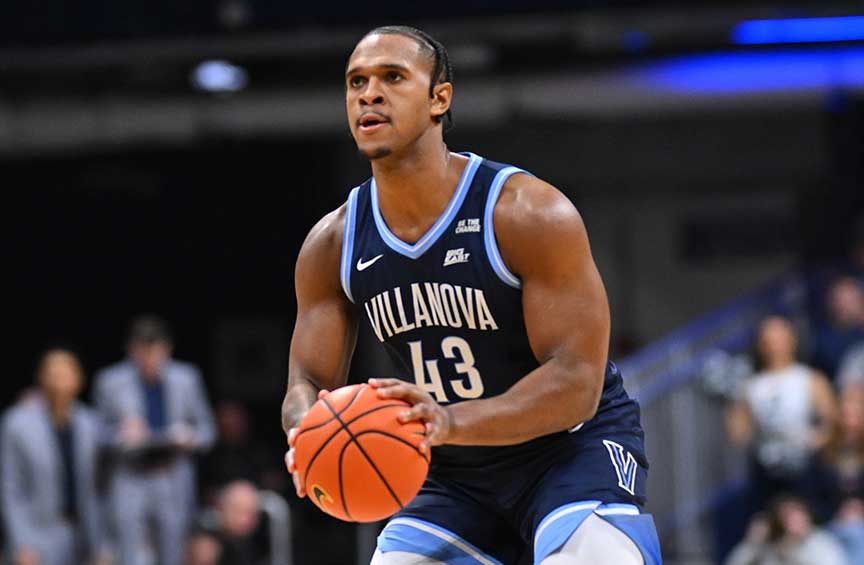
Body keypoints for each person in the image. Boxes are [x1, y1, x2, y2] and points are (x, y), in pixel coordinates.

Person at [281, 25, 660, 564]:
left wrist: (450, 420)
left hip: (569, 452)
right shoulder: (333, 243)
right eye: (356, 82)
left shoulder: (526, 213)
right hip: (451, 471)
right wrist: (308, 431)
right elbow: (308, 381)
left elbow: (577, 383)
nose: (369, 94)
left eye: (392, 77)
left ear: (440, 98)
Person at [94, 315, 216, 565]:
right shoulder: (110, 381)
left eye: (155, 351)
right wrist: (121, 433)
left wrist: (190, 437)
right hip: (131, 475)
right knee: (128, 553)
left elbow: (207, 431)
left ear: (166, 349)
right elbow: (97, 436)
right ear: (131, 350)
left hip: (170, 474)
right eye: (142, 351)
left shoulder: (187, 378)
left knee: (172, 552)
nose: (149, 359)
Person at [1, 350, 111, 565]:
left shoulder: (91, 423)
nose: (59, 381)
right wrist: (22, 542)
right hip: (39, 533)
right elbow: (10, 488)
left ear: (79, 379)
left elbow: (101, 488)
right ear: (41, 378)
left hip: (84, 535)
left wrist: (104, 543)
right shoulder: (17, 423)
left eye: (66, 373)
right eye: (53, 373)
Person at [726, 316, 837, 513]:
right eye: (768, 339)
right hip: (767, 468)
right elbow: (738, 436)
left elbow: (832, 423)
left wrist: (815, 441)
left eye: (779, 337)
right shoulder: (751, 385)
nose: (774, 345)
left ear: (792, 339)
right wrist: (732, 400)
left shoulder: (809, 378)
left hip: (805, 466)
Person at [725, 496, 847, 565]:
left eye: (796, 516)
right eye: (786, 517)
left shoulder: (821, 543)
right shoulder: (767, 546)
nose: (791, 522)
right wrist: (752, 542)